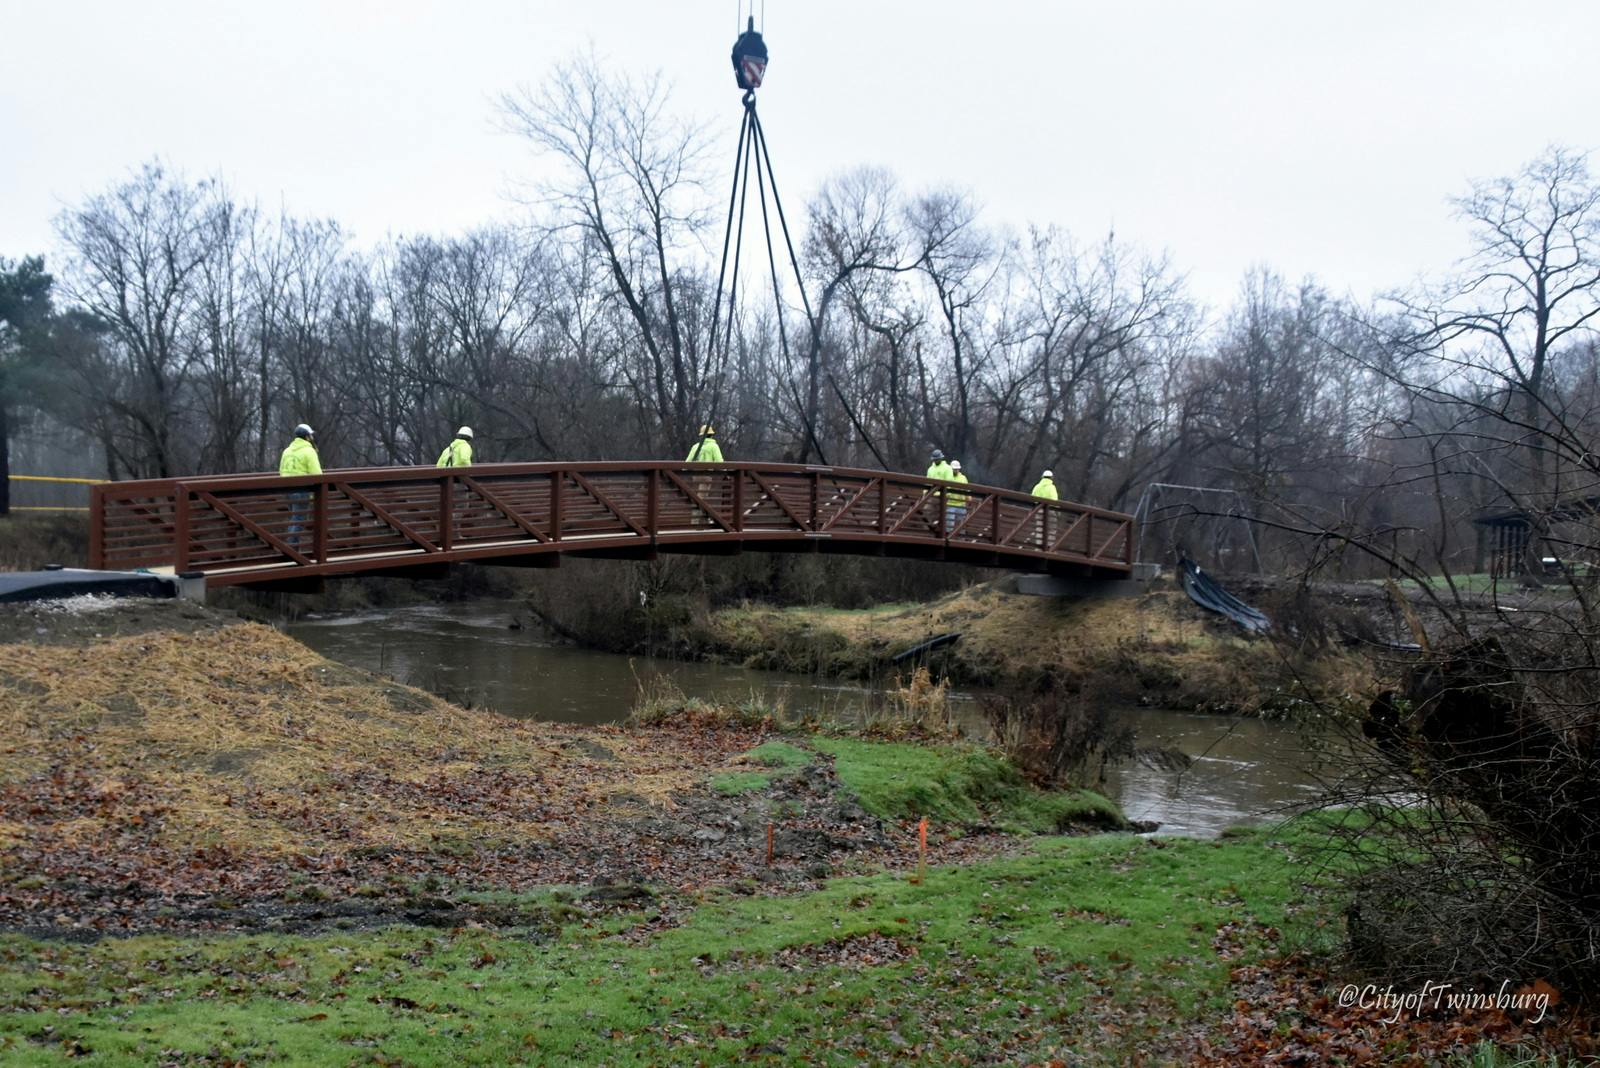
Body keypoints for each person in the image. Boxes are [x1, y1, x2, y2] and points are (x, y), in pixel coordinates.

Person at [279, 423, 322, 548]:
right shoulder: (309, 451)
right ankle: (291, 550)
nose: (312, 438)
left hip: (287, 490)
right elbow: (317, 475)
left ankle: (292, 549)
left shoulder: (287, 450)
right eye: (311, 435)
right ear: (307, 437)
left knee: (294, 519)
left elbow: (281, 471)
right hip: (302, 490)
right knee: (298, 520)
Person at [948, 459, 970, 532]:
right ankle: (947, 538)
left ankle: (961, 539)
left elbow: (967, 490)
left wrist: (968, 498)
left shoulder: (963, 478)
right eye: (954, 469)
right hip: (949, 504)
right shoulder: (948, 477)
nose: (956, 470)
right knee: (949, 525)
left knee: (961, 525)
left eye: (957, 469)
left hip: (961, 504)